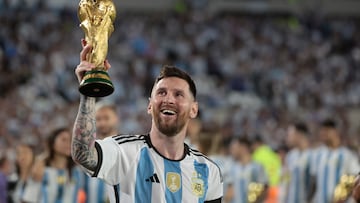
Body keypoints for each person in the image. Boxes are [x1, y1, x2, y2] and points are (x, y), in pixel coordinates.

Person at [72, 41, 223, 202]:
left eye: (178, 94)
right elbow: (83, 154)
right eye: (162, 92)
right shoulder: (124, 152)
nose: (169, 99)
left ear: (194, 109)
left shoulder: (208, 170)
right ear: (150, 105)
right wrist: (88, 92)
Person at [22, 128, 83, 203]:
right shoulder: (41, 170)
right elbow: (28, 198)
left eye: (70, 140)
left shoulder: (76, 172)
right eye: (63, 140)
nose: (68, 143)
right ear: (52, 143)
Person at [311, 119, 360, 203]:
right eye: (322, 131)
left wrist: (343, 195)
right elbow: (315, 182)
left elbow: (355, 178)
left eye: (326, 130)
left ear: (335, 132)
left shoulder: (347, 155)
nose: (323, 134)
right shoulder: (317, 155)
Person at [83, 101, 121, 203]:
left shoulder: (126, 148)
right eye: (98, 119)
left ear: (116, 119)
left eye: (106, 118)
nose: (102, 123)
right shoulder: (88, 150)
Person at [226, 137, 268, 203]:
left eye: (234, 148)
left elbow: (264, 190)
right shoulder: (232, 168)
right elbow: (229, 192)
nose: (231, 151)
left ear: (243, 147)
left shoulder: (257, 167)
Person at [279, 122, 313, 203]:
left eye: (290, 135)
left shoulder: (313, 156)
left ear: (299, 135)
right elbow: (286, 181)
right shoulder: (290, 156)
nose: (287, 138)